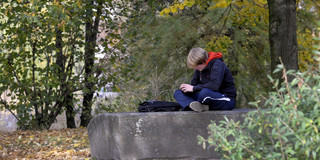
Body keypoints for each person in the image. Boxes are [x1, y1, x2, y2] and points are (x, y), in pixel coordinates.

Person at [174, 47, 237, 112]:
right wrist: (186, 89)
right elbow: (194, 85)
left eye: (196, 66)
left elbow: (214, 85)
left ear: (203, 61)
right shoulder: (199, 70)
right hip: (206, 99)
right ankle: (191, 106)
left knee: (204, 93)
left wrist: (193, 88)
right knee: (178, 93)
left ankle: (199, 106)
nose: (195, 68)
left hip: (226, 99)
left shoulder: (218, 64)